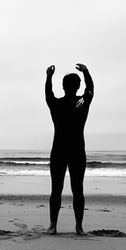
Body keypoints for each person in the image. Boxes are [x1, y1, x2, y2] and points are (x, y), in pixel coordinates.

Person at [45, 63, 94, 235]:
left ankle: (53, 226)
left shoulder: (56, 105)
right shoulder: (82, 103)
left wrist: (49, 76)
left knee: (56, 189)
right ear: (78, 86)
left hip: (58, 149)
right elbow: (90, 90)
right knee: (77, 189)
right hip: (77, 150)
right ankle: (79, 227)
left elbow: (48, 94)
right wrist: (86, 72)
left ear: (63, 86)